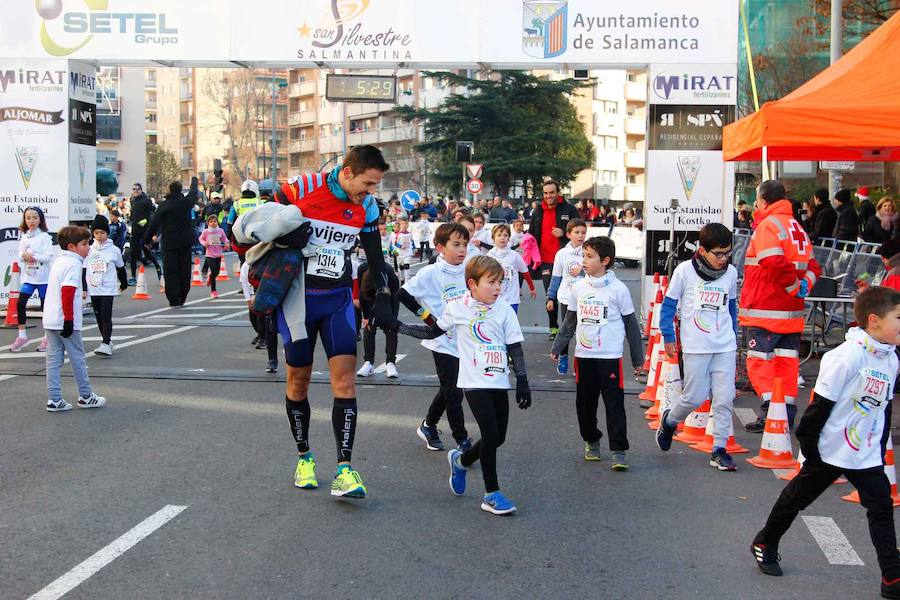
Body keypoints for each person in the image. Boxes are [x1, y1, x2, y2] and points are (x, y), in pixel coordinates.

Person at [234, 145, 394, 499]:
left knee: (346, 383)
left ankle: (344, 469)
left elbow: (375, 253)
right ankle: (304, 456)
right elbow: (245, 231)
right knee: (299, 381)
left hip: (336, 300)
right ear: (348, 172)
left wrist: (382, 294)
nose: (370, 193)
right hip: (298, 302)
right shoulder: (302, 188)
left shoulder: (365, 206)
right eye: (367, 184)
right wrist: (282, 234)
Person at [751, 287, 900, 599]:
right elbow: (817, 408)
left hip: (866, 453)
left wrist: (880, 443)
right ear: (874, 321)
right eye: (899, 318)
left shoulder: (891, 358)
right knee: (796, 499)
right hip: (828, 448)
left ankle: (892, 578)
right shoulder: (845, 357)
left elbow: (884, 407)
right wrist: (810, 449)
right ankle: (765, 541)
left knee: (881, 508)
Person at [397, 256, 532, 515]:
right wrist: (397, 326)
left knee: (499, 437)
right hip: (472, 382)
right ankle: (492, 494)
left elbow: (514, 346)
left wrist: (522, 380)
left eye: (500, 282)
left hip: (498, 380)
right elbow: (432, 332)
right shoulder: (458, 307)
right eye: (491, 282)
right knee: (490, 434)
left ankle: (460, 461)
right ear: (472, 283)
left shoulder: (503, 308)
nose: (498, 288)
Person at [550, 236, 643, 470]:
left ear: (605, 261)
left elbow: (631, 325)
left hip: (610, 356)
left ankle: (618, 450)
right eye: (583, 255)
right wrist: (559, 346)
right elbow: (570, 322)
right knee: (585, 404)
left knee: (614, 404)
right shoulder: (578, 287)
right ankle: (591, 439)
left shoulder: (618, 289)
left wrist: (637, 358)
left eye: (590, 257)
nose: (584, 261)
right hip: (584, 356)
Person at [655, 223, 739, 471]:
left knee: (724, 398)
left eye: (728, 253)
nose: (723, 259)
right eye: (718, 254)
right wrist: (668, 336)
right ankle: (670, 421)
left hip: (724, 345)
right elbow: (668, 306)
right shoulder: (684, 272)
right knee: (695, 397)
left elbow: (731, 308)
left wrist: (734, 337)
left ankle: (719, 449)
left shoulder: (731, 273)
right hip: (695, 346)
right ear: (703, 251)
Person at [740, 180, 821, 433]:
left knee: (758, 362)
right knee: (786, 366)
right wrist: (801, 288)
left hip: (765, 310)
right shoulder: (796, 227)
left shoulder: (768, 226)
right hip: (790, 313)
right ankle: (783, 414)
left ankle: (771, 411)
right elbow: (814, 267)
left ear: (764, 201)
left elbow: (772, 262)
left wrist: (792, 287)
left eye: (756, 198)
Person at [397, 223, 472, 452]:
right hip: (442, 341)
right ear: (440, 247)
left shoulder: (470, 269)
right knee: (454, 390)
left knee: (449, 387)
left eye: (465, 245)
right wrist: (429, 319)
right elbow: (403, 294)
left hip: (465, 339)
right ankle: (462, 440)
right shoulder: (430, 273)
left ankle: (429, 425)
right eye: (456, 245)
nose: (462, 250)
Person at [43, 226, 106, 412]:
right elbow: (68, 292)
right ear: (72, 246)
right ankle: (86, 396)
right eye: (85, 244)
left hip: (51, 318)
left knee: (53, 361)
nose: (89, 247)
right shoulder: (74, 264)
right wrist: (69, 320)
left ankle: (54, 399)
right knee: (78, 358)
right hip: (65, 318)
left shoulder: (59, 261)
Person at [529, 180, 580, 340]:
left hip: (566, 258)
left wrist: (564, 232)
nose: (548, 196)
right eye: (545, 193)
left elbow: (579, 228)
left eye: (551, 193)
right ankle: (553, 328)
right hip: (545, 260)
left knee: (568, 294)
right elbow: (531, 233)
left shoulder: (569, 209)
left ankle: (569, 326)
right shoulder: (538, 210)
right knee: (550, 294)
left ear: (558, 193)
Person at [147, 177, 199, 308]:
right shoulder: (186, 203)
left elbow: (153, 223)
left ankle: (173, 298)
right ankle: (182, 296)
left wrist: (147, 239)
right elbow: (193, 193)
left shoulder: (164, 205)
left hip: (170, 242)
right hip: (185, 242)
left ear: (169, 190)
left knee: (171, 270)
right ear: (181, 189)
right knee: (184, 269)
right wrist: (194, 181)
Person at [546, 219, 587, 375]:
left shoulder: (588, 252)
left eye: (583, 233)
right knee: (566, 329)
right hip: (566, 298)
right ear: (569, 234)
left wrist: (582, 270)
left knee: (582, 331)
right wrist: (551, 297)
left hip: (584, 298)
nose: (580, 236)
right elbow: (556, 277)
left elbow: (595, 272)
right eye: (577, 232)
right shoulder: (562, 254)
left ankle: (580, 360)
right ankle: (563, 355)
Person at [82, 215, 128, 357]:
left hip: (108, 287)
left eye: (102, 233)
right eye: (96, 233)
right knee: (98, 316)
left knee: (106, 315)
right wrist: (84, 288)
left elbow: (121, 268)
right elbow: (84, 269)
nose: (99, 236)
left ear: (107, 233)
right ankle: (106, 341)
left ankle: (106, 343)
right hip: (94, 288)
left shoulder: (113, 250)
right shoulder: (89, 250)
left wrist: (124, 283)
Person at [10, 207, 53, 353]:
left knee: (45, 308)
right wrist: (24, 256)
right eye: (28, 218)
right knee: (20, 303)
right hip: (28, 278)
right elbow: (20, 255)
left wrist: (34, 257)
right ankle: (22, 336)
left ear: (40, 219)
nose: (31, 221)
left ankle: (47, 338)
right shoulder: (24, 236)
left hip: (43, 279)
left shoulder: (45, 237)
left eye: (35, 217)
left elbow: (48, 256)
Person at [356, 260, 401, 379]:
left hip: (388, 301)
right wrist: (365, 317)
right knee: (368, 329)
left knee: (391, 330)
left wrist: (393, 318)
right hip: (370, 300)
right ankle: (368, 363)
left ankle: (390, 363)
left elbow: (396, 298)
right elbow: (362, 294)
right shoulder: (362, 268)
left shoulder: (389, 272)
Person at [487, 224, 536, 313]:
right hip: (494, 299)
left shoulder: (514, 255)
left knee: (510, 325)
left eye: (505, 235)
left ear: (509, 238)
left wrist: (531, 288)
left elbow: (525, 272)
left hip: (511, 299)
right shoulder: (489, 256)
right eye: (499, 235)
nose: (502, 238)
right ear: (493, 238)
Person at [128, 182, 161, 285]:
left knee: (147, 252)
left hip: (144, 230)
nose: (135, 191)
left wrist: (146, 221)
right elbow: (133, 214)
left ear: (141, 190)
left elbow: (154, 212)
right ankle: (133, 277)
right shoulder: (132, 200)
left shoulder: (146, 200)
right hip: (134, 230)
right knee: (133, 253)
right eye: (134, 189)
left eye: (137, 189)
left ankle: (159, 269)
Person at [198, 214, 230, 299]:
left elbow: (225, 239)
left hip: (218, 253)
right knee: (213, 270)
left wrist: (227, 243)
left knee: (217, 273)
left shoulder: (220, 230)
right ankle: (214, 291)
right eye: (211, 222)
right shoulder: (206, 231)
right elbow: (200, 239)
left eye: (214, 221)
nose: (213, 223)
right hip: (210, 254)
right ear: (208, 223)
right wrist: (205, 244)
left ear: (217, 222)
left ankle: (210, 276)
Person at [392, 216, 413, 284]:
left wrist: (412, 247)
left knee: (407, 266)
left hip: (408, 252)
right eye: (403, 224)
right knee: (401, 267)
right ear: (400, 225)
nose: (404, 225)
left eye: (406, 224)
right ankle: (402, 279)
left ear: (408, 225)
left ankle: (407, 282)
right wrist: (400, 246)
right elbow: (394, 243)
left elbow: (411, 241)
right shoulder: (398, 234)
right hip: (400, 253)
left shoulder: (410, 233)